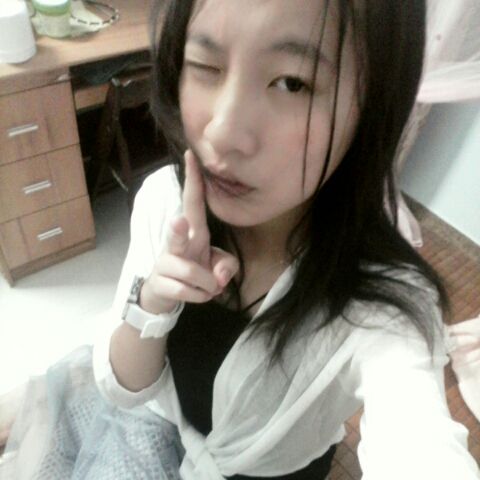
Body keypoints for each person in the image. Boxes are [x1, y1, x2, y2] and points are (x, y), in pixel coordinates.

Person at [2, 0, 479, 479]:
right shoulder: (166, 202)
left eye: (292, 83)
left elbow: (420, 443)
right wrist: (154, 302)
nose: (222, 132)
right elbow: (127, 388)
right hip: (162, 437)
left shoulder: (384, 304)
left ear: (373, 104)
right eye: (205, 66)